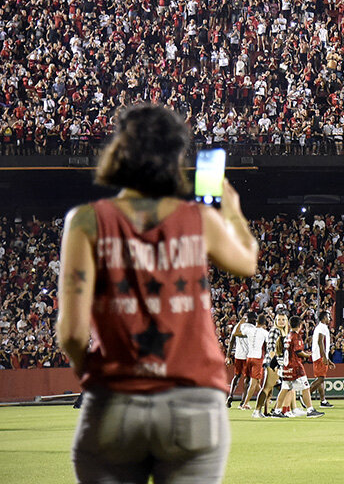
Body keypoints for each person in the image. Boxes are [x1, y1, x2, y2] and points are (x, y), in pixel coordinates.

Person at [57, 104, 259, 483]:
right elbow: (247, 262)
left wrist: (96, 376)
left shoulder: (85, 221)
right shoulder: (199, 219)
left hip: (114, 400)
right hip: (194, 401)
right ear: (175, 158)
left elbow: (70, 332)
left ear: (118, 151)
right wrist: (231, 210)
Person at [276, 315, 323, 417]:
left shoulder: (288, 335)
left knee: (285, 388)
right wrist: (307, 355)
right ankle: (310, 410)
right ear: (300, 325)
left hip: (286, 367)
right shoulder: (296, 336)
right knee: (305, 387)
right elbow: (298, 352)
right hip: (295, 367)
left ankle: (277, 411)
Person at [254, 312, 288, 418]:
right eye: (279, 319)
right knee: (267, 387)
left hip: (276, 363)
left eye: (283, 319)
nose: (281, 322)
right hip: (273, 363)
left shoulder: (282, 331)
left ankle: (269, 411)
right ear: (275, 321)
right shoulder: (275, 330)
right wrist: (277, 364)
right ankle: (257, 411)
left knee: (275, 388)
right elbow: (271, 348)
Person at [239, 314, 269, 410]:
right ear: (264, 323)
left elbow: (240, 331)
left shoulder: (249, 330)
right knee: (253, 383)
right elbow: (269, 344)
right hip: (257, 358)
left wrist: (242, 320)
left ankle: (263, 399)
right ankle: (245, 403)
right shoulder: (264, 332)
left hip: (249, 358)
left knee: (256, 382)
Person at [226, 312, 255, 407]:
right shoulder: (253, 329)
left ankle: (230, 395)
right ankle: (243, 402)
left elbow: (231, 341)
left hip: (238, 355)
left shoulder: (238, 327)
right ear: (253, 319)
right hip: (248, 356)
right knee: (247, 379)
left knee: (236, 376)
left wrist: (228, 355)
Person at [310, 311, 334, 408]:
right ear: (324, 318)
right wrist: (324, 356)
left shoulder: (321, 327)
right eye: (328, 317)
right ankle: (305, 396)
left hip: (319, 355)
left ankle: (323, 401)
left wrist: (327, 358)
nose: (329, 318)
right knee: (321, 378)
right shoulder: (322, 327)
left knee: (320, 379)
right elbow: (320, 342)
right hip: (319, 355)